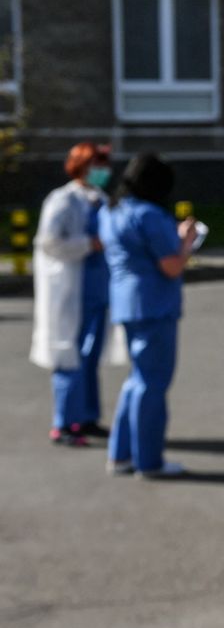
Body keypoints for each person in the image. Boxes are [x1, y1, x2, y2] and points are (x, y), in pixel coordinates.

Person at [100, 154, 196, 480]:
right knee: (152, 384)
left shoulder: (111, 210)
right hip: (154, 303)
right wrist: (186, 242)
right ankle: (149, 460)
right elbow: (171, 264)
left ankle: (122, 453)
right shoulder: (150, 215)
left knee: (137, 380)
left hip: (126, 302)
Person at [31, 142, 113, 447]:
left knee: (91, 356)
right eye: (98, 165)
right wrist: (89, 244)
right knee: (69, 354)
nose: (103, 172)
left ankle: (87, 417)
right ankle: (64, 423)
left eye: (105, 165)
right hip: (71, 288)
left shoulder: (99, 198)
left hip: (98, 287)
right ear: (81, 166)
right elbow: (49, 242)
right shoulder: (62, 200)